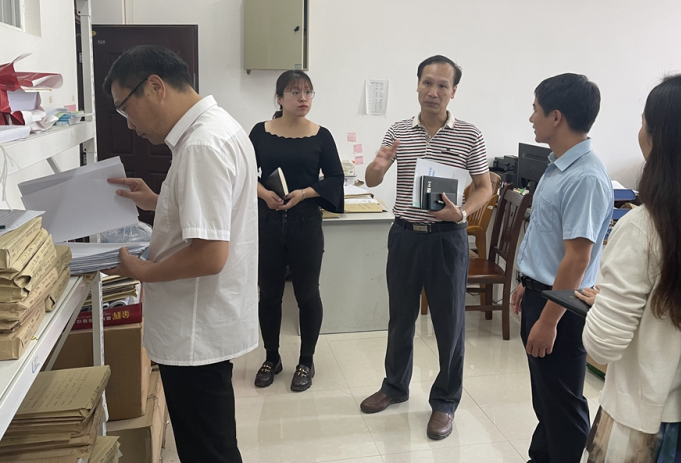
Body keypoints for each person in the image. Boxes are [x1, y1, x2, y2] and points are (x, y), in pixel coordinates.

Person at [102, 45, 258, 463]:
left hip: (194, 331)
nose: (129, 124)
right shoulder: (218, 128)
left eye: (125, 107)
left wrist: (140, 270)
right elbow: (214, 216)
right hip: (204, 323)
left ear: (155, 86)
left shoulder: (201, 145)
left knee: (207, 451)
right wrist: (158, 201)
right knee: (213, 444)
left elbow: (209, 256)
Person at [575, 73, 681, 463]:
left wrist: (603, 306)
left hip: (639, 424)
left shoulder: (642, 228)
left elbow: (603, 344)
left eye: (644, 123)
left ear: (660, 139)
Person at [359, 55, 493, 440]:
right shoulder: (399, 130)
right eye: (427, 83)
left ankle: (445, 401)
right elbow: (372, 179)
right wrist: (379, 163)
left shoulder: (469, 134)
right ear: (417, 85)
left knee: (449, 324)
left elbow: (485, 187)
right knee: (400, 318)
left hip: (447, 239)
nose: (433, 92)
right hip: (404, 235)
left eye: (442, 85)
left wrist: (462, 213)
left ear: (453, 92)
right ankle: (394, 387)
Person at [509, 73, 614, 463]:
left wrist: (548, 320)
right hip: (544, 293)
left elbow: (578, 258)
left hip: (562, 308)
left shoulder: (585, 177)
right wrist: (527, 281)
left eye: (535, 110)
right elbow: (548, 239)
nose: (531, 118)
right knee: (547, 397)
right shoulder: (558, 167)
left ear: (556, 117)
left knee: (564, 404)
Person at [249, 70, 344, 392]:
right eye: (294, 92)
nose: (303, 98)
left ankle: (306, 360)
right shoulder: (260, 132)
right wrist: (264, 194)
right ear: (279, 98)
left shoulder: (321, 135)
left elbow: (335, 178)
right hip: (268, 223)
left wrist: (304, 193)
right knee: (269, 294)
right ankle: (271, 357)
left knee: (307, 294)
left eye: (308, 92)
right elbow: (243, 173)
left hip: (306, 224)